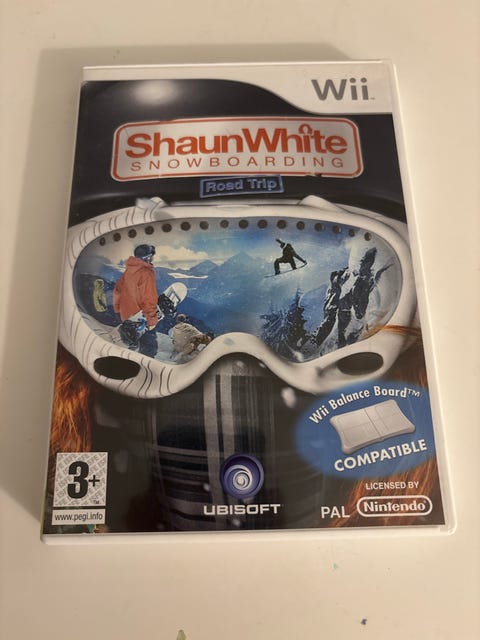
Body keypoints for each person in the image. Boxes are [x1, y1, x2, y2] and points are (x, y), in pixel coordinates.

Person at [113, 244, 159, 357]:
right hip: (141, 317)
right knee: (149, 349)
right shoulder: (146, 273)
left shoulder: (128, 271)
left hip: (126, 316)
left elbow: (117, 291)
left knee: (133, 343)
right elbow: (148, 297)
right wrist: (151, 319)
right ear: (147, 257)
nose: (152, 259)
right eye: (151, 256)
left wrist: (118, 309)